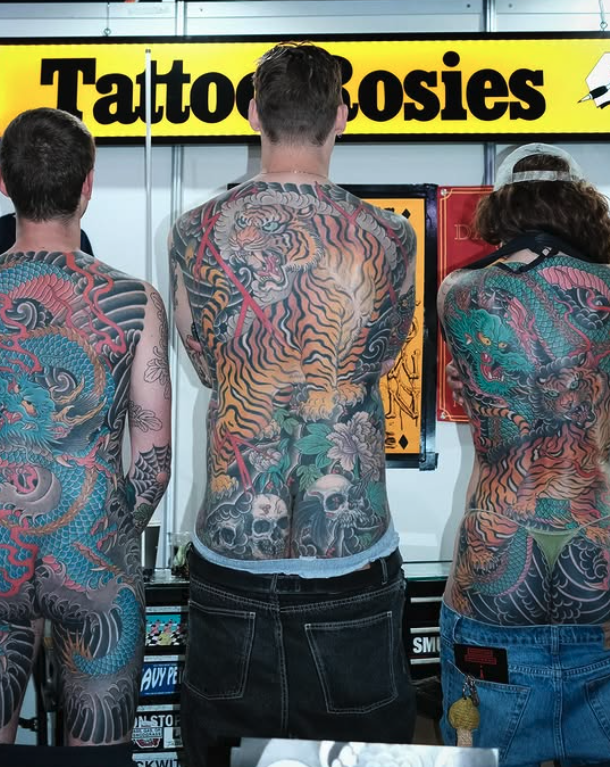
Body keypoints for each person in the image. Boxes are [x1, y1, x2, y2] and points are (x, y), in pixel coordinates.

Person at [168, 41, 418, 767]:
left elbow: (207, 363)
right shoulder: (389, 238)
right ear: (341, 117)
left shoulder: (195, 233)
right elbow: (378, 358)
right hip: (349, 560)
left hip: (233, 552)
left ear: (253, 114)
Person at [0, 107, 172, 767]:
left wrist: (0, 524)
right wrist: (107, 530)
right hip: (94, 566)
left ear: (3, 184)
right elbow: (154, 455)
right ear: (87, 184)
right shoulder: (135, 302)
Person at [438, 143, 610, 767]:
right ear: (583, 208)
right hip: (602, 580)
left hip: (494, 580)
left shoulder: (459, 294)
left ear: (503, 209)